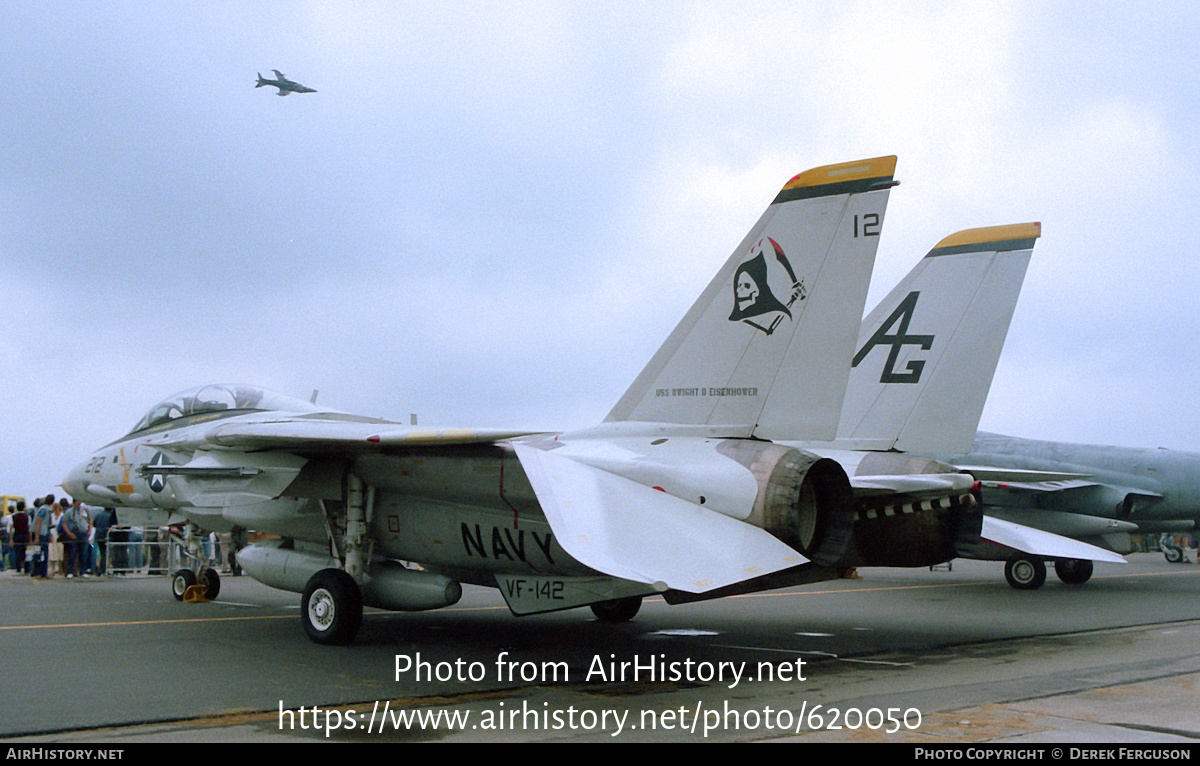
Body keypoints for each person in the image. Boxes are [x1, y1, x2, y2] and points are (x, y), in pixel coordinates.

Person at [60, 498, 92, 578]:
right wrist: (69, 533)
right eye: (78, 502)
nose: (79, 503)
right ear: (74, 502)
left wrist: (89, 530)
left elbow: (90, 519)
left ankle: (83, 571)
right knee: (72, 553)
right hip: (74, 533)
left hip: (83, 533)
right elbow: (64, 523)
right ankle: (70, 571)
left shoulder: (85, 510)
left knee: (83, 553)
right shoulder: (69, 511)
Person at [92, 507, 118, 575]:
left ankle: (99, 568)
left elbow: (94, 524)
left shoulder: (98, 515)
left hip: (98, 535)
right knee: (105, 554)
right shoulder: (110, 516)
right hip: (106, 536)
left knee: (100, 553)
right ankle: (102, 570)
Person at [9, 501, 30, 574]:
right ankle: (27, 569)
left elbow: (11, 528)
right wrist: (30, 539)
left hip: (17, 535)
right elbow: (29, 528)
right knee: (26, 552)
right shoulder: (27, 516)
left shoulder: (13, 516)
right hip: (25, 535)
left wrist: (11, 539)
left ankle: (18, 569)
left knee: (17, 552)